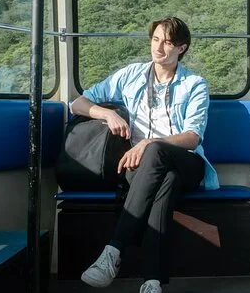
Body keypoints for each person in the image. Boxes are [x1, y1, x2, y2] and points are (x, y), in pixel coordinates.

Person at [71, 16, 219, 293]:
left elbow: (192, 137)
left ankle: (113, 250)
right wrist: (108, 114)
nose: (159, 48)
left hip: (187, 162)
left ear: (182, 48)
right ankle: (152, 281)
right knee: (168, 180)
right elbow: (78, 103)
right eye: (155, 39)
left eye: (167, 43)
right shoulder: (131, 75)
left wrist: (149, 142)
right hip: (142, 167)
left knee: (159, 153)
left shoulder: (194, 84)